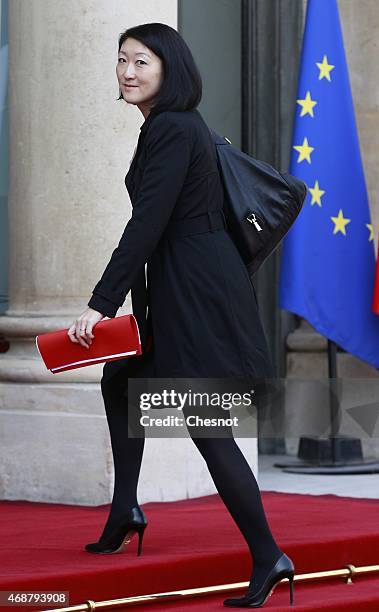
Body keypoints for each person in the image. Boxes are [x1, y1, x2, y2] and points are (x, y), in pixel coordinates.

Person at [67, 22, 294, 608]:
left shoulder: (171, 128)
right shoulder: (166, 128)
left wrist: (100, 302)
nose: (128, 71)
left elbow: (148, 224)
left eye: (142, 61)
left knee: (206, 419)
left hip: (194, 292)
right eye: (121, 60)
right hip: (181, 284)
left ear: (171, 69)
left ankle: (269, 554)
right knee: (121, 378)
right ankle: (126, 508)